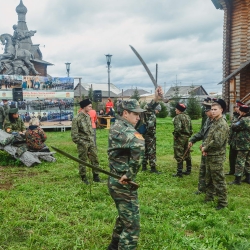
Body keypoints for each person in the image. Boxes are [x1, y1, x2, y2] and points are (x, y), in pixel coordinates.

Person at [107, 99, 145, 250]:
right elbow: (139, 145)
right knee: (132, 226)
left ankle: (114, 246)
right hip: (122, 182)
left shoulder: (120, 126)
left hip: (117, 180)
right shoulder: (122, 128)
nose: (138, 118)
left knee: (125, 217)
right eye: (135, 114)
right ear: (125, 113)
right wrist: (130, 174)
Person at [202, 99, 229, 210]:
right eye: (211, 109)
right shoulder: (214, 122)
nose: (212, 111)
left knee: (218, 180)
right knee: (209, 178)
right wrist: (205, 147)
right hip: (210, 154)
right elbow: (209, 137)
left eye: (215, 109)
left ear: (221, 110)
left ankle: (223, 203)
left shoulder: (222, 124)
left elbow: (217, 142)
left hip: (217, 156)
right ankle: (209, 197)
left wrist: (206, 147)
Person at [71, 99, 101, 184]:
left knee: (95, 159)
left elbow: (90, 131)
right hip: (82, 143)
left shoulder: (88, 116)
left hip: (91, 142)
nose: (91, 107)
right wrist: (83, 143)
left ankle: (96, 176)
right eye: (89, 106)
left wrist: (92, 141)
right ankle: (83, 177)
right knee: (83, 160)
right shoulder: (76, 119)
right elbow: (74, 136)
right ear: (84, 107)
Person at [189, 103, 213, 194]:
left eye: (208, 111)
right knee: (203, 169)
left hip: (211, 150)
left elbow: (216, 139)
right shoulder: (208, 120)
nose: (206, 113)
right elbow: (202, 132)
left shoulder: (218, 122)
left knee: (211, 172)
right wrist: (192, 140)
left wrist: (206, 146)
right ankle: (202, 189)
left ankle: (211, 192)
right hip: (204, 149)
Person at [141, 88, 163, 173]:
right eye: (158, 110)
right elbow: (150, 105)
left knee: (145, 150)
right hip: (149, 135)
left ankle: (144, 166)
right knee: (151, 151)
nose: (158, 112)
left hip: (146, 134)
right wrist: (156, 97)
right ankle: (152, 168)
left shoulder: (149, 112)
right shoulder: (148, 111)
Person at [229, 105, 250, 185]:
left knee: (240, 162)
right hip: (248, 144)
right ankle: (248, 178)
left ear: (242, 111)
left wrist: (237, 119)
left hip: (243, 144)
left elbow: (234, 127)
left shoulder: (243, 120)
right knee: (248, 161)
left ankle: (237, 180)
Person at [172, 103, 193, 177]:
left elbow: (178, 128)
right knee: (187, 152)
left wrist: (175, 135)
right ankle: (188, 170)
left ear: (178, 110)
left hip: (180, 137)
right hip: (187, 137)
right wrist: (188, 135)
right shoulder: (188, 117)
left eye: (176, 109)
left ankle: (179, 172)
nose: (175, 110)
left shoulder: (178, 117)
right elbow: (191, 129)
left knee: (178, 153)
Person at [226, 100, 243, 175]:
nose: (236, 108)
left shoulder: (243, 117)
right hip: (233, 139)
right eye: (235, 107)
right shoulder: (235, 115)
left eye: (237, 107)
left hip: (241, 141)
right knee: (232, 156)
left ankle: (241, 173)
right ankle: (232, 170)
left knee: (240, 158)